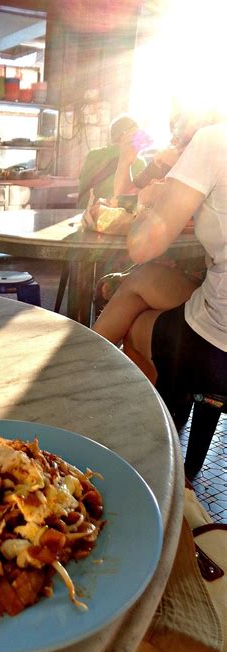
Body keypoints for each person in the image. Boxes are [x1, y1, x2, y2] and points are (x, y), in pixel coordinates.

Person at [92, 122, 227, 428]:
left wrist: (146, 204)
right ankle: (83, 371)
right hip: (213, 290)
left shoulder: (213, 140)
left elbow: (141, 246)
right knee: (142, 279)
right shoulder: (184, 150)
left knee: (138, 326)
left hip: (221, 342)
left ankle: (151, 434)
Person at [76, 114, 146, 209]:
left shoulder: (92, 155)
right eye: (137, 134)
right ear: (128, 135)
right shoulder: (138, 162)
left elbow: (81, 182)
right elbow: (139, 199)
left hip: (83, 214)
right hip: (111, 217)